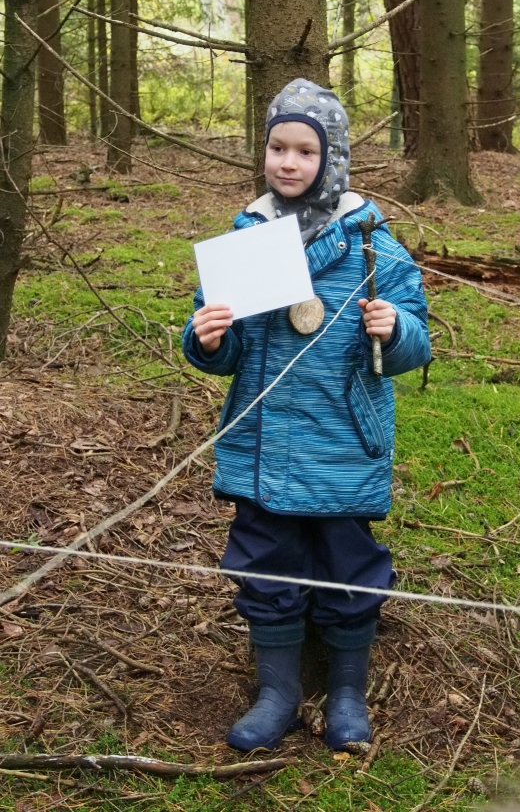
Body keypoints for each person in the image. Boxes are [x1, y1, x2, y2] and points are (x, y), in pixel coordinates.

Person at [182, 79, 430, 752]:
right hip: (264, 442)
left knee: (349, 565)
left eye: (305, 151)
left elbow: (417, 340)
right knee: (265, 561)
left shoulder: (372, 242)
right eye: (276, 147)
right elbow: (224, 346)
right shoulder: (247, 237)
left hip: (343, 441)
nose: (288, 163)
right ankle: (278, 689)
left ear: (334, 159)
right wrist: (208, 336)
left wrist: (395, 327)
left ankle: (347, 688)